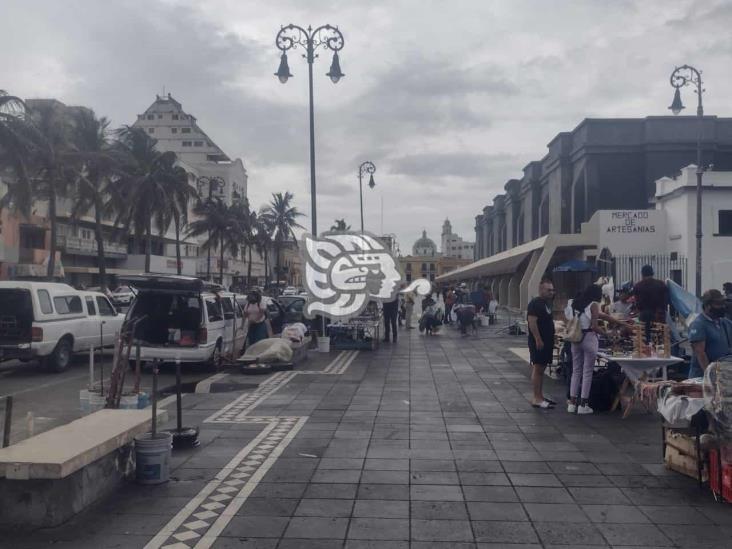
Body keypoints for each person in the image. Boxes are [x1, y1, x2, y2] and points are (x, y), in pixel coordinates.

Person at [566, 284, 605, 415]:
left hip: (575, 338)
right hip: (589, 338)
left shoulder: (572, 303)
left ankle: (572, 404)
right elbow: (594, 326)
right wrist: (607, 333)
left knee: (576, 371)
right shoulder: (593, 305)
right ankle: (583, 405)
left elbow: (567, 319)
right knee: (587, 372)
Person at [526, 276, 557, 409]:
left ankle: (540, 396)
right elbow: (532, 322)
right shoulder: (535, 303)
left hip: (546, 341)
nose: (551, 292)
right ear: (541, 289)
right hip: (539, 342)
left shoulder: (546, 304)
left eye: (552, 290)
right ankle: (536, 398)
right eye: (548, 290)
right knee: (538, 369)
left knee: (541, 369)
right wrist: (538, 339)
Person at [688, 289, 732, 378]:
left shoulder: (724, 322)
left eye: (723, 303)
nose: (722, 307)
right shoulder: (698, 324)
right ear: (708, 306)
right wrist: (710, 377)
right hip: (702, 377)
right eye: (718, 304)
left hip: (722, 373)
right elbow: (700, 353)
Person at [633, 265, 668, 342]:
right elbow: (666, 301)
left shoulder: (637, 286)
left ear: (642, 274)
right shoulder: (661, 284)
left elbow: (637, 303)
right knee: (659, 339)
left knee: (644, 339)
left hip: (643, 315)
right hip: (658, 315)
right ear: (652, 273)